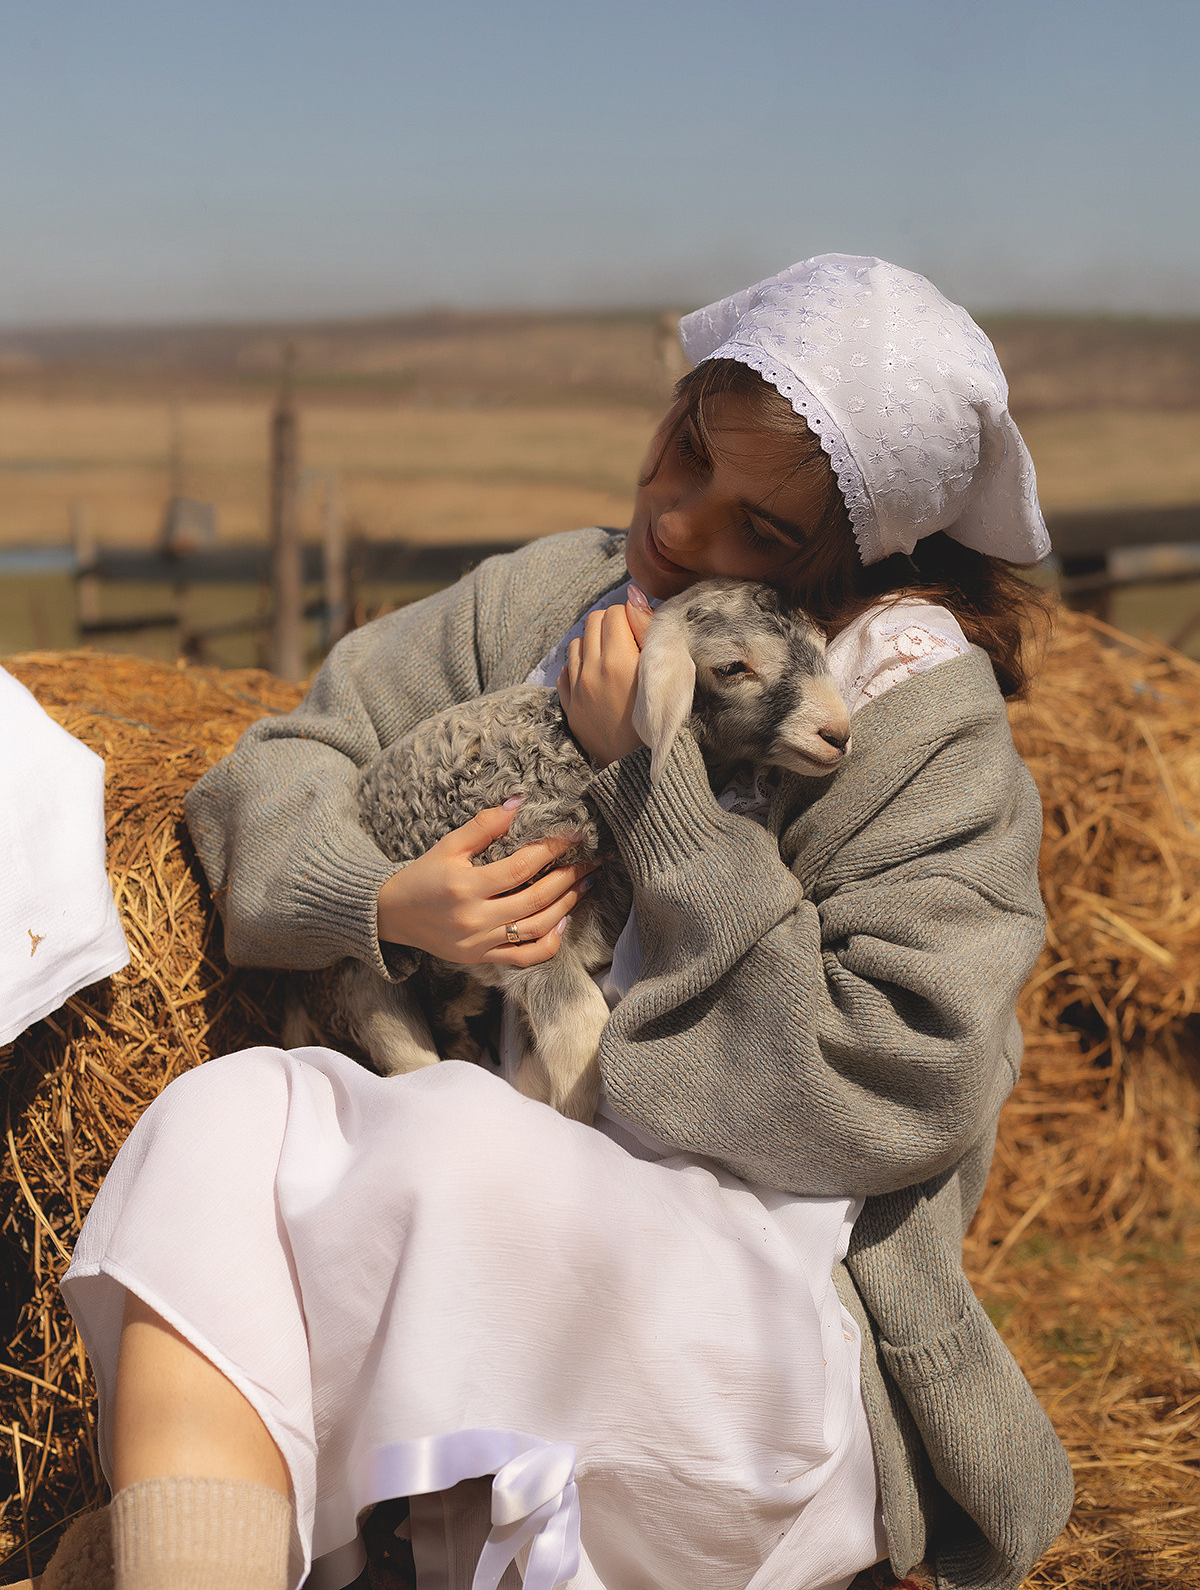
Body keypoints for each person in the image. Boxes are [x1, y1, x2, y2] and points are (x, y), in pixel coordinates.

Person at [55, 255, 1073, 1590]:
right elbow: (284, 760)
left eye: (759, 530)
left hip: (760, 1310)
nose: (677, 522)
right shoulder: (565, 601)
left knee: (440, 1146)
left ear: (859, 553)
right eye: (686, 452)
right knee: (220, 1116)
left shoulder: (915, 725)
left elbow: (885, 1086)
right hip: (501, 1200)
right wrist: (382, 894)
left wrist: (649, 781)